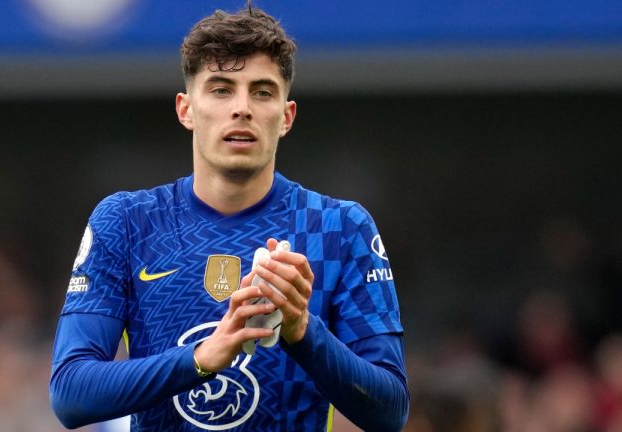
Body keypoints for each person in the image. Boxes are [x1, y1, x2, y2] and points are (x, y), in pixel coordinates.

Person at [50, 3, 409, 431]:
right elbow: (70, 392)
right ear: (186, 109)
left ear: (286, 117)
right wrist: (200, 359)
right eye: (221, 89)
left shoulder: (339, 228)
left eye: (262, 91)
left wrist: (301, 330)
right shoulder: (127, 221)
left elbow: (390, 411)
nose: (242, 108)